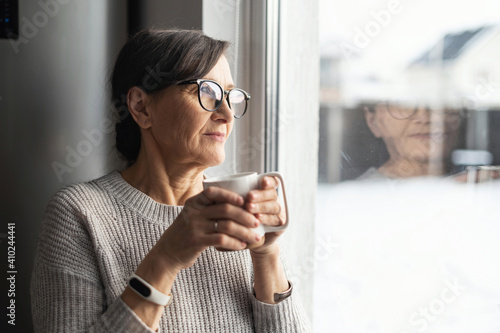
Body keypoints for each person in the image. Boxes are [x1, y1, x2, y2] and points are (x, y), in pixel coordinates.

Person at [31, 29, 310, 332]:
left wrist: (266, 253)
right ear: (141, 106)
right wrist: (166, 257)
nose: (227, 114)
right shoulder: (80, 214)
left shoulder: (237, 212)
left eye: (230, 96)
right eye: (207, 92)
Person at [359, 101, 462, 179]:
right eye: (404, 104)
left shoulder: (473, 186)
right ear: (373, 122)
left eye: (440, 101)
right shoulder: (357, 200)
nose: (425, 118)